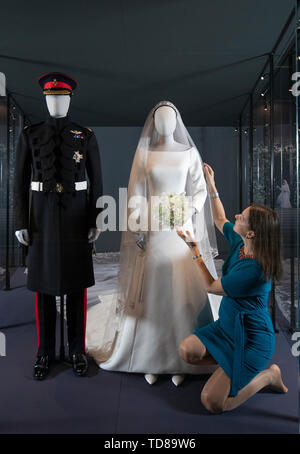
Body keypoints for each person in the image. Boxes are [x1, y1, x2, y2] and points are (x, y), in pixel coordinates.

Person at [85, 101, 221, 386]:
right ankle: (151, 358)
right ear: (153, 123)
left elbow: (198, 190)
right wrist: (139, 227)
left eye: (168, 118)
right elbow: (136, 192)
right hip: (154, 228)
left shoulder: (188, 153)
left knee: (182, 292)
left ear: (176, 121)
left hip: (181, 229)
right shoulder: (145, 154)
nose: (164, 123)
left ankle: (183, 359)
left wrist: (189, 210)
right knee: (156, 290)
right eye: (159, 119)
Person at [176, 162, 288, 413]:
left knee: (213, 403)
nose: (237, 216)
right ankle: (229, 367)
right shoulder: (242, 243)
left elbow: (210, 286)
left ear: (252, 234)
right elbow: (219, 218)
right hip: (226, 329)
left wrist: (194, 250)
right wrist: (211, 185)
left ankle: (268, 376)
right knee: (187, 351)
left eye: (243, 218)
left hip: (251, 340)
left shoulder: (255, 270)